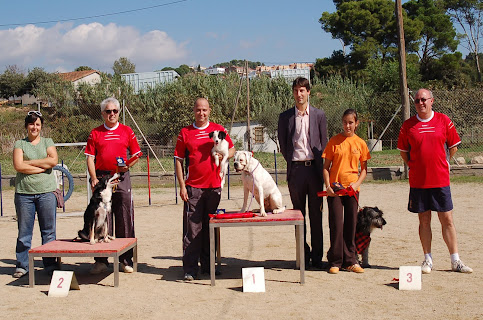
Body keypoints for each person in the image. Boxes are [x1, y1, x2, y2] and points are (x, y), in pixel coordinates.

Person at [397, 88, 472, 274]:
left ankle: (455, 261)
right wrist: (415, 165)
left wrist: (441, 162)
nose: (420, 103)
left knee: (447, 219)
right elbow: (403, 152)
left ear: (432, 101)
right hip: (418, 182)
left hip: (440, 180)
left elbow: (453, 147)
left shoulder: (444, 121)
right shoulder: (408, 125)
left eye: (423, 99)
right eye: (417, 101)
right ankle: (427, 260)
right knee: (424, 220)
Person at [174, 98, 235, 281]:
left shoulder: (219, 129)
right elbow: (178, 160)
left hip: (214, 187)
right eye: (198, 110)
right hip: (193, 188)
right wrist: (182, 186)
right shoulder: (185, 132)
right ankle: (190, 270)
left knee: (210, 229)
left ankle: (209, 267)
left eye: (205, 110)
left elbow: (231, 150)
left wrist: (224, 154)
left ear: (210, 111)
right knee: (193, 230)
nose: (202, 113)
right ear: (193, 110)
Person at [85, 97, 141, 274]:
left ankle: (125, 259)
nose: (111, 114)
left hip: (121, 177)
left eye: (115, 111)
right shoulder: (95, 133)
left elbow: (136, 153)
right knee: (101, 218)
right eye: (108, 111)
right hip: (102, 178)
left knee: (124, 217)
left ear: (119, 113)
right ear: (102, 113)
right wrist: (93, 178)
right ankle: (101, 260)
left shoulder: (127, 131)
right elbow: (90, 157)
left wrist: (127, 165)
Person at [278, 77, 328, 269]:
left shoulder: (319, 115)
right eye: (296, 90)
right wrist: (293, 162)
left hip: (314, 171)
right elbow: (284, 145)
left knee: (316, 215)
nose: (299, 94)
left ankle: (317, 257)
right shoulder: (285, 117)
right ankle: (303, 255)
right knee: (298, 216)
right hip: (296, 171)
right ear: (293, 93)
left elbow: (323, 142)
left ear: (308, 92)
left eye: (302, 90)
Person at [322, 109, 370, 274]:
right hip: (335, 191)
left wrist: (356, 184)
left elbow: (364, 170)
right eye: (345, 122)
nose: (347, 125)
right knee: (336, 225)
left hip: (352, 191)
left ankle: (351, 260)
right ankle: (335, 261)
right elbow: (326, 168)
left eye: (351, 122)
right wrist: (328, 186)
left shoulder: (361, 143)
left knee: (351, 225)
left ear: (356, 124)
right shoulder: (334, 141)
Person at [12, 111, 59, 278]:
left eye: (37, 124)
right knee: (24, 232)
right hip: (24, 194)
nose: (34, 127)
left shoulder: (48, 141)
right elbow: (18, 166)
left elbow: (53, 160)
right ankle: (22, 265)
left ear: (41, 126)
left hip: (46, 192)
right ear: (26, 126)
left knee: (48, 232)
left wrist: (28, 163)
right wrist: (41, 167)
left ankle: (50, 264)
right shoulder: (19, 144)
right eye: (31, 124)